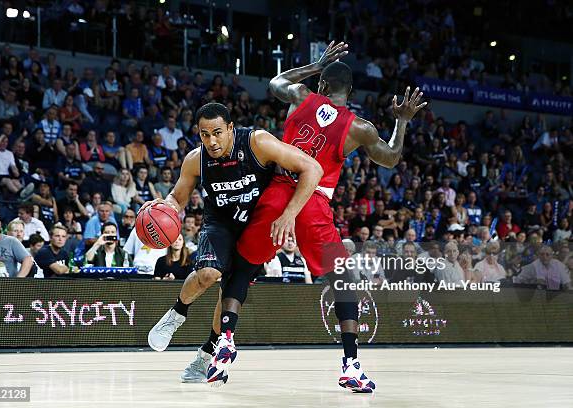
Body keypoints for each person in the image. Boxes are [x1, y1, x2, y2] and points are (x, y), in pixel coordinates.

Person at [176, 41, 425, 390]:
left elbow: (275, 82)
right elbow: (392, 158)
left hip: (277, 193)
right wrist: (401, 121)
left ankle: (225, 342)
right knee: (343, 278)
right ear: (349, 92)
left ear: (321, 85)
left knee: (243, 266)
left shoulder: (302, 96)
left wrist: (314, 64)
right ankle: (351, 364)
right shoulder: (360, 127)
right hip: (313, 203)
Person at [146, 102, 323, 384]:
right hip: (220, 222)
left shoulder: (258, 142)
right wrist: (162, 207)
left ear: (231, 128)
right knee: (208, 274)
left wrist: (290, 214)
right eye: (204, 135)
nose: (212, 141)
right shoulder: (195, 160)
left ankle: (204, 358)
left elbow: (312, 168)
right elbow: (177, 198)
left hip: (256, 226)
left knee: (227, 294)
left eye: (217, 132)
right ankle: (177, 313)